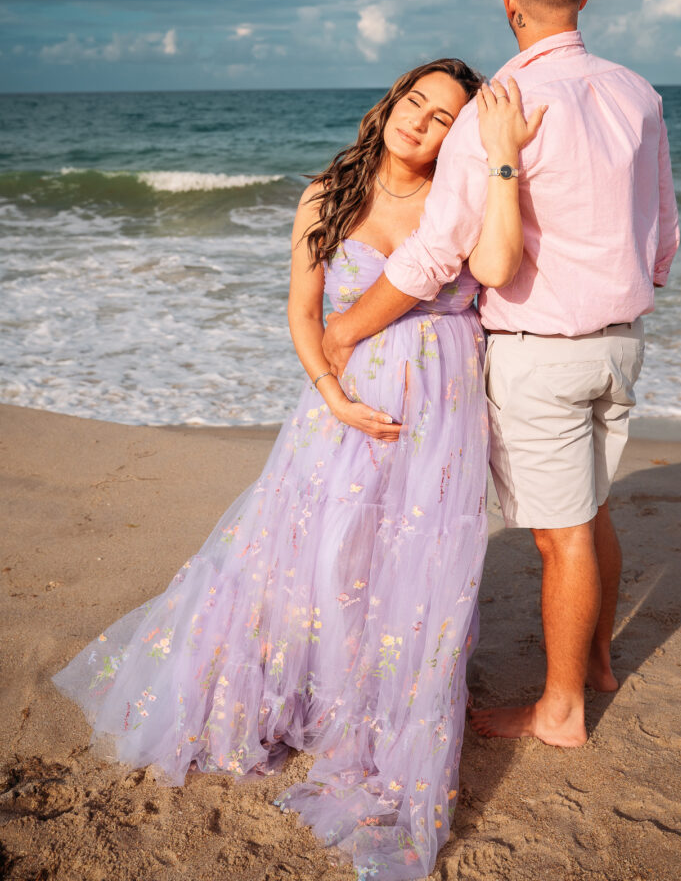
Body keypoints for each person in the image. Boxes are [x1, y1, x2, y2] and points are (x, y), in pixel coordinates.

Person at [53, 57, 546, 881]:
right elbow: (303, 308)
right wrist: (330, 393)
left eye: (442, 116)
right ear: (392, 102)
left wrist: (500, 157)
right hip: (341, 407)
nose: (420, 121)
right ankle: (313, 693)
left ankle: (387, 705)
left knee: (413, 565)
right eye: (414, 102)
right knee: (320, 554)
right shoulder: (328, 192)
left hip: (442, 410)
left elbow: (498, 264)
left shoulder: (460, 192)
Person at [323, 0, 680, 750]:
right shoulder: (639, 92)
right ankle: (593, 662)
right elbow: (663, 232)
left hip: (542, 353)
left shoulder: (500, 108)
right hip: (622, 343)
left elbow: (434, 253)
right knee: (588, 510)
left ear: (509, 4)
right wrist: (624, 293)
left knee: (560, 536)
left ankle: (560, 710)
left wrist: (345, 327)